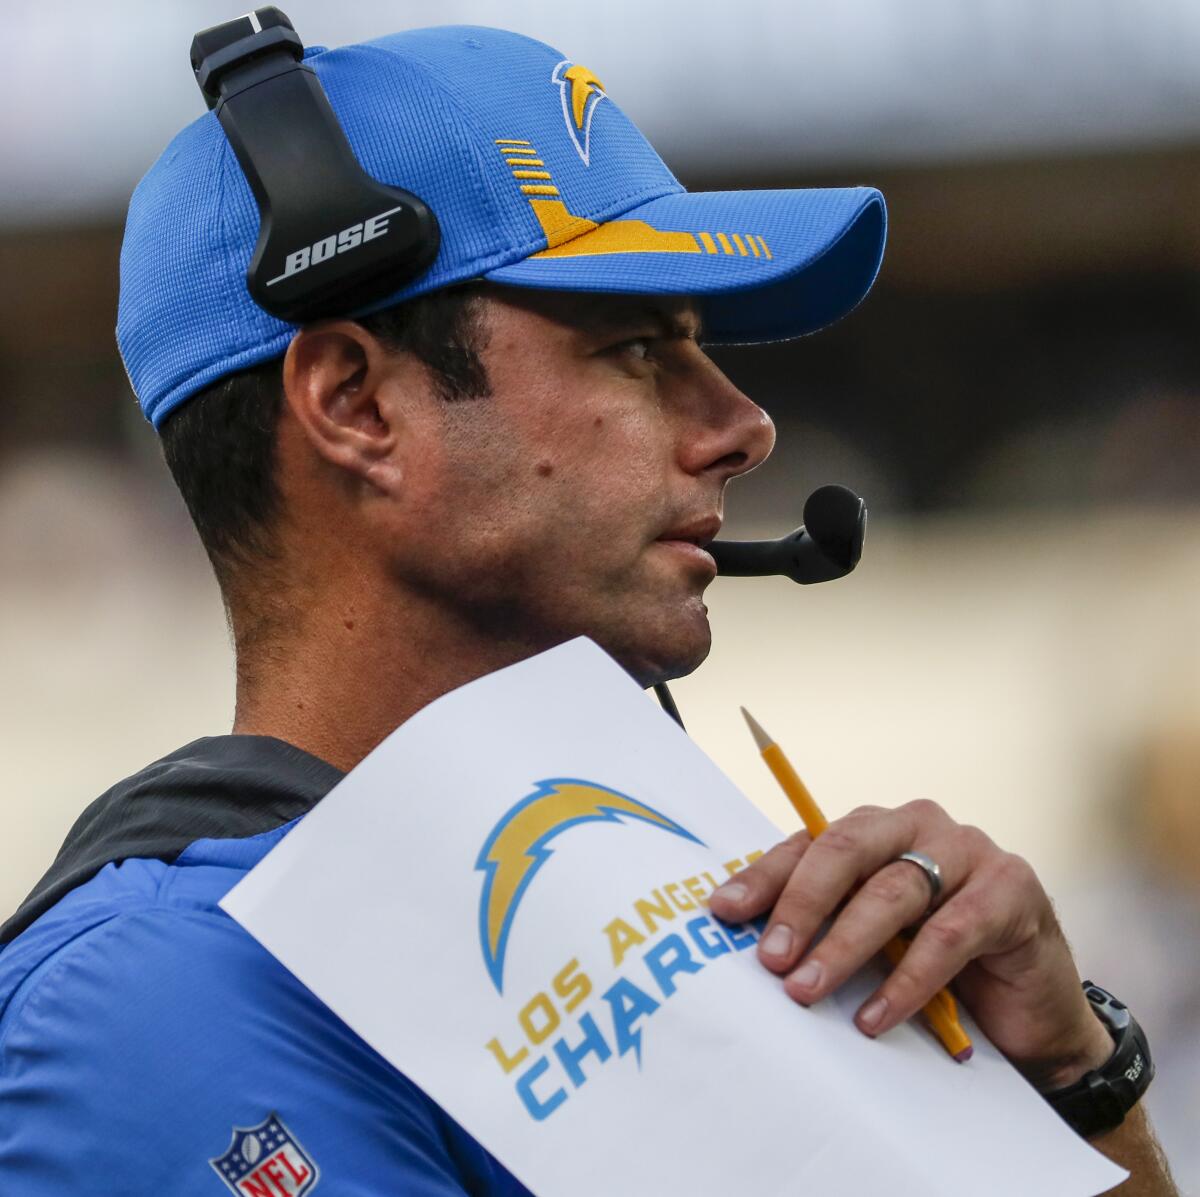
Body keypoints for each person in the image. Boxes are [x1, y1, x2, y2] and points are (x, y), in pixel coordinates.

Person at [0, 16, 1178, 1197]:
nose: (742, 426)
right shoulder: (152, 999)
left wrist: (1078, 1081)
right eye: (634, 346)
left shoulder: (677, 891)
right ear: (356, 404)